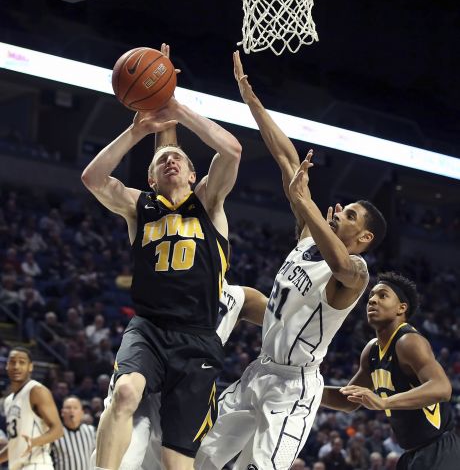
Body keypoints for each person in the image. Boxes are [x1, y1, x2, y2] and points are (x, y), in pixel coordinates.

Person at [194, 52, 387, 470]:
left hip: (294, 391)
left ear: (364, 237)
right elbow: (287, 158)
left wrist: (307, 205)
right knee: (200, 458)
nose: (340, 212)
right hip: (259, 372)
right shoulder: (307, 234)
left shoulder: (356, 273)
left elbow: (339, 264)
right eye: (342, 208)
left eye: (350, 215)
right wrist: (251, 100)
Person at [81, 43, 242, 470]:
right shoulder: (140, 206)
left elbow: (232, 151)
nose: (171, 159)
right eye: (162, 159)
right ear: (151, 177)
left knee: (176, 461)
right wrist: (138, 130)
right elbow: (93, 177)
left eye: (179, 158)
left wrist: (175, 106)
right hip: (149, 328)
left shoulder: (208, 203)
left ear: (194, 174)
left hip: (198, 337)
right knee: (125, 393)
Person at [90, 279, 268, 470]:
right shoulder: (175, 269)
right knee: (124, 459)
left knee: (167, 464)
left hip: (189, 386)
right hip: (150, 370)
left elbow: (284, 315)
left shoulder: (239, 297)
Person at [320, 271, 460, 470]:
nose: (373, 301)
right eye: (371, 296)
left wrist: (383, 402)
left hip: (438, 451)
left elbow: (442, 388)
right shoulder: (372, 350)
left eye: (382, 295)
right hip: (412, 453)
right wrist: (307, 392)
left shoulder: (408, 341)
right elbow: (347, 400)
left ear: (401, 308)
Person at [0, 347, 63, 470]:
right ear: (7, 366)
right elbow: (16, 445)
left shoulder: (37, 391)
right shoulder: (8, 401)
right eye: (12, 362)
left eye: (22, 362)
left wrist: (33, 442)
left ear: (30, 367)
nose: (16, 366)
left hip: (37, 465)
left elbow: (58, 430)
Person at [52, 396, 96, 470]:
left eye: (75, 408)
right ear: (62, 412)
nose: (72, 411)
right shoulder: (54, 434)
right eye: (68, 408)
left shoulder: (91, 431)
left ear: (82, 413)